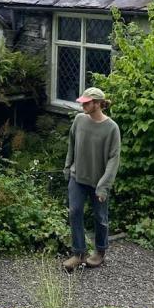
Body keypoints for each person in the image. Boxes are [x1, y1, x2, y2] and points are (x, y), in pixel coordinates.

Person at [62, 87, 121, 273]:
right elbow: (71, 143)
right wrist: (67, 166)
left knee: (100, 218)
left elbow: (114, 158)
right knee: (75, 211)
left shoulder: (111, 128)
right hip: (77, 177)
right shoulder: (79, 120)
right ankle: (78, 253)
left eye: (87, 103)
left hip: (98, 182)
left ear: (97, 104)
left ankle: (100, 252)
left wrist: (103, 186)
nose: (83, 105)